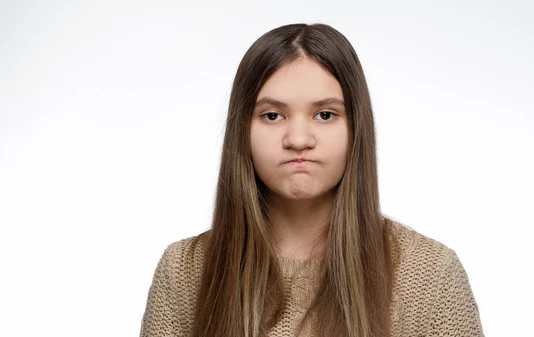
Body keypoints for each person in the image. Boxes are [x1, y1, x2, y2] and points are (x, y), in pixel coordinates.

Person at [139, 23, 484, 337]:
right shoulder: (186, 271)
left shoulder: (429, 274)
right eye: (272, 115)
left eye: (325, 114)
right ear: (242, 130)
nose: (299, 138)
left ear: (356, 127)